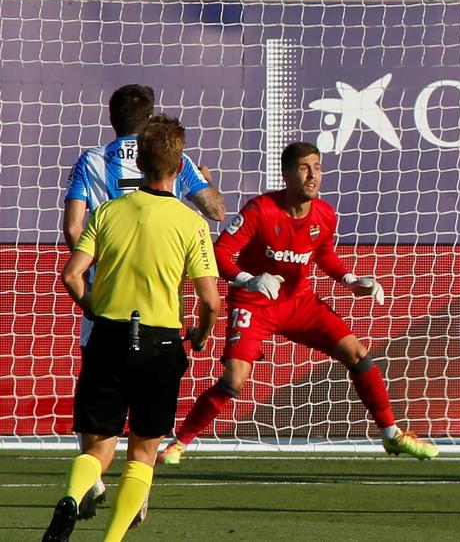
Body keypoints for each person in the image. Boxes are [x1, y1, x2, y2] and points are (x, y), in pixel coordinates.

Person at [159, 142, 439, 464]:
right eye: (304, 168)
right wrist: (248, 279)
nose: (313, 176)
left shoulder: (325, 214)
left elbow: (323, 252)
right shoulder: (260, 210)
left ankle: (392, 436)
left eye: (317, 167)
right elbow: (220, 253)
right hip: (255, 302)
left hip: (298, 303)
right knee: (235, 378)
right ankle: (178, 444)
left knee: (358, 353)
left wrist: (350, 280)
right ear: (287, 174)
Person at [46, 114, 221, 542]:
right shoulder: (191, 223)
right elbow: (211, 300)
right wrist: (199, 333)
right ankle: (111, 539)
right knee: (143, 452)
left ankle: (70, 499)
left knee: (98, 446)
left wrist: (92, 309)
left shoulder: (107, 213)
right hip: (161, 343)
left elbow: (71, 275)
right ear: (179, 169)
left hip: (109, 335)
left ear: (139, 162)